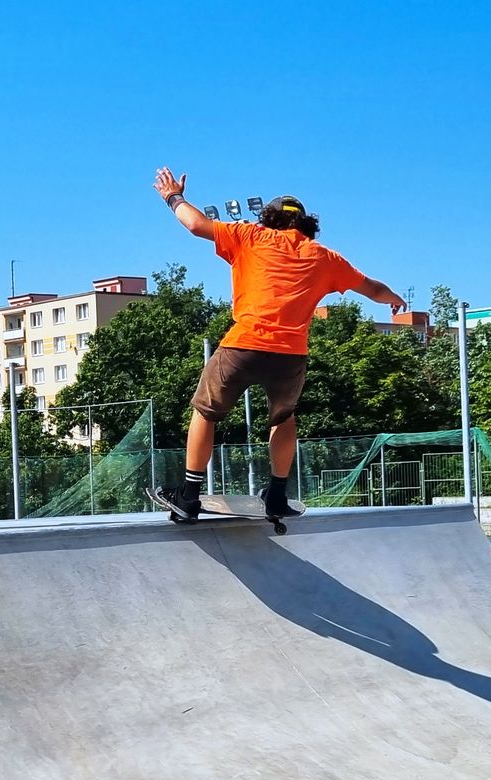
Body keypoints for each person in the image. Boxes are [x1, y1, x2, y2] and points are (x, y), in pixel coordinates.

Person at [151, 166, 407, 521]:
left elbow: (195, 224)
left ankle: (189, 495)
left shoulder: (250, 236)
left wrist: (172, 196)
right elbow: (373, 288)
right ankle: (277, 496)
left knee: (206, 412)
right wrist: (393, 298)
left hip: (243, 345)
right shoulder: (324, 257)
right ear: (305, 225)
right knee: (283, 418)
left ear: (269, 219)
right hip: (290, 356)